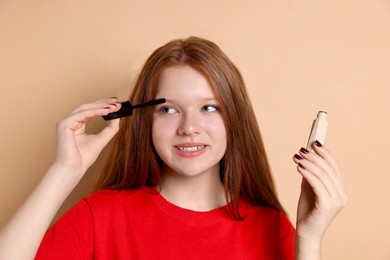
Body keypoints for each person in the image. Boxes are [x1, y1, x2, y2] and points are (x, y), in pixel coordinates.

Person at [0, 37, 348, 259]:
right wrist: (64, 172)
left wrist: (309, 241)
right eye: (168, 109)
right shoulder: (100, 217)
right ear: (145, 121)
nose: (189, 127)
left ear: (234, 120)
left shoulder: (271, 226)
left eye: (209, 107)